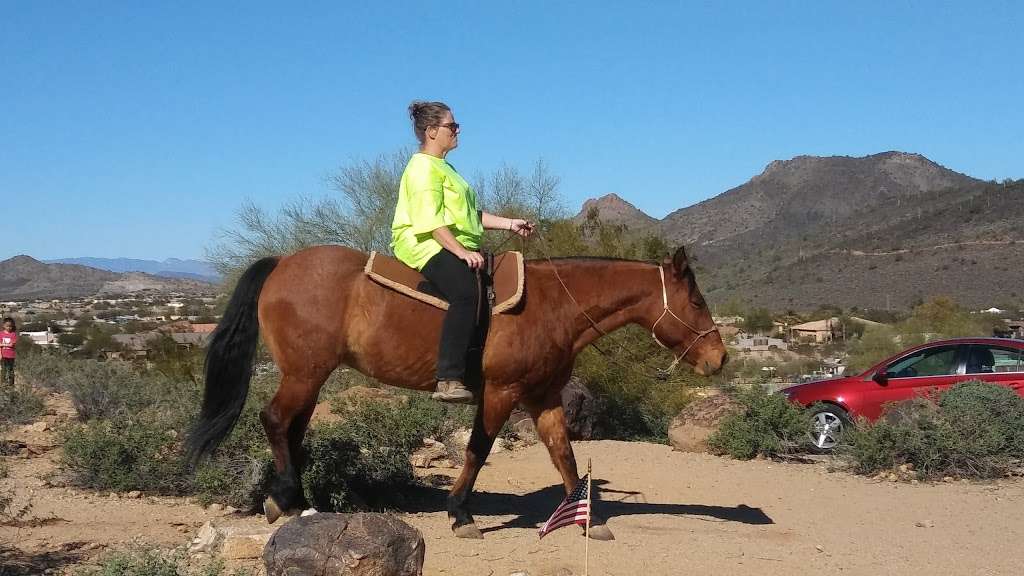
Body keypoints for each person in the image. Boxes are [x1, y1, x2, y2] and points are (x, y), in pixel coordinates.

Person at [392, 101, 534, 403]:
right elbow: (430, 221)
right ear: (432, 131)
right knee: (466, 293)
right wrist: (461, 251)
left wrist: (510, 224)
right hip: (422, 242)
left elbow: (470, 215)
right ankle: (448, 378)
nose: (458, 130)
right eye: (451, 126)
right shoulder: (422, 168)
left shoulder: (446, 168)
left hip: (445, 239)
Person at [1, 317, 17, 387]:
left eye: (10, 326)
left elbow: (12, 344)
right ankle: (2, 383)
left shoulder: (13, 334)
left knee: (11, 370)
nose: (9, 327)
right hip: (3, 355)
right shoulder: (1, 334)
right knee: (3, 370)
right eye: (7, 326)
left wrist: (2, 344)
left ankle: (11, 384)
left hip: (11, 355)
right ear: (4, 326)